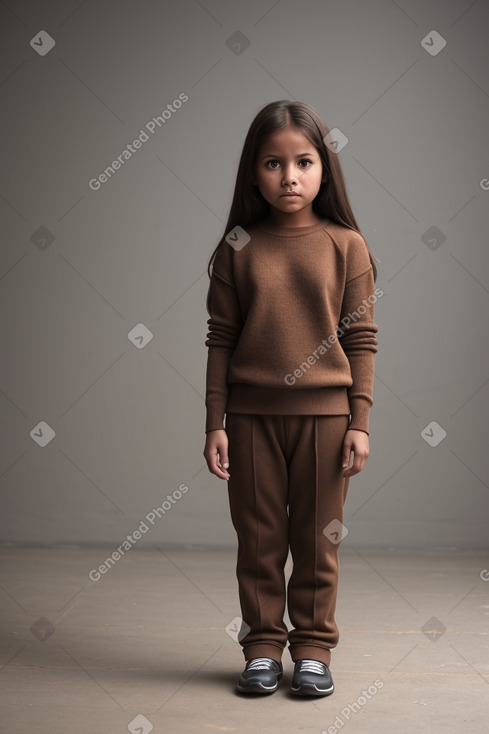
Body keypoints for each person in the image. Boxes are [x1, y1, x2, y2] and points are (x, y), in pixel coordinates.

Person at [203, 100, 380, 697]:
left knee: (317, 541)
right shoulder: (238, 245)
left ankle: (312, 650)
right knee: (258, 542)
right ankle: (260, 648)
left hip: (326, 421)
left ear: (325, 168)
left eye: (304, 162)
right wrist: (214, 423)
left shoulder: (346, 245)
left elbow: (361, 339)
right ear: (254, 171)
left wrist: (359, 420)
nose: (290, 176)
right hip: (250, 419)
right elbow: (221, 338)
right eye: (274, 163)